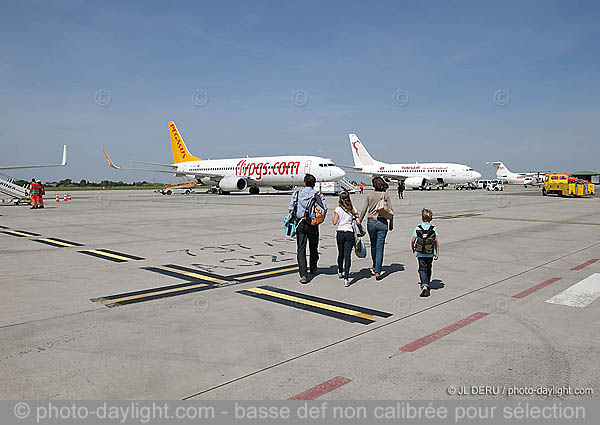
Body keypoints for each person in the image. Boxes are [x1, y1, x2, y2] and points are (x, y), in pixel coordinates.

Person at [289, 174, 327, 284]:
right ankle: (313, 267)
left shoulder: (296, 194)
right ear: (314, 184)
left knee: (301, 249)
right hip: (312, 223)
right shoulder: (317, 194)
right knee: (313, 246)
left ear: (304, 183)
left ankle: (303, 274)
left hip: (300, 223)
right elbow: (324, 208)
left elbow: (290, 209)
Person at [359, 176, 393, 280]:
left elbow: (364, 209)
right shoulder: (385, 194)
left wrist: (359, 220)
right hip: (382, 222)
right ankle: (378, 271)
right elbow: (390, 210)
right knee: (380, 247)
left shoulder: (369, 194)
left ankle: (374, 264)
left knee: (373, 245)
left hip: (371, 222)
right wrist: (391, 223)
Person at [332, 191, 359, 287]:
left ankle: (340, 270)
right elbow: (358, 222)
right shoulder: (352, 209)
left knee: (341, 253)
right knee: (348, 255)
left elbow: (334, 222)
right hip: (349, 232)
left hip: (340, 232)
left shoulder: (337, 209)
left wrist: (335, 215)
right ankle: (346, 278)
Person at [411, 208, 439, 297]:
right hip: (430, 252)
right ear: (431, 218)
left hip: (420, 253)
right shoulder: (433, 228)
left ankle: (424, 285)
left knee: (422, 269)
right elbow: (436, 241)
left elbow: (412, 240)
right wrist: (437, 252)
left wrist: (413, 248)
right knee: (428, 268)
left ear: (422, 218)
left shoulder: (418, 228)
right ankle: (427, 282)